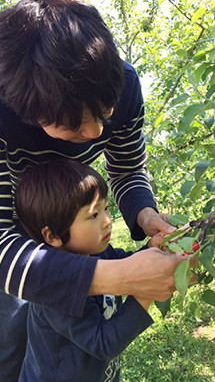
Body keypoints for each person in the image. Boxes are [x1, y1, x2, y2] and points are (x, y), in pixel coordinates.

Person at [0, 0, 193, 381]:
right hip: (21, 232)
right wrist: (117, 277)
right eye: (72, 125)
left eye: (104, 113)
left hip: (69, 230)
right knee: (9, 340)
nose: (95, 132)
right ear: (26, 109)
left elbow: (126, 170)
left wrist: (146, 214)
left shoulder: (123, 86)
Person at [15, 159, 163, 382]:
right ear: (53, 236)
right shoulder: (55, 290)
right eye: (93, 215)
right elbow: (103, 342)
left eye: (106, 208)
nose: (107, 221)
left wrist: (154, 249)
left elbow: (130, 264)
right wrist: (145, 292)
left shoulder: (98, 253)